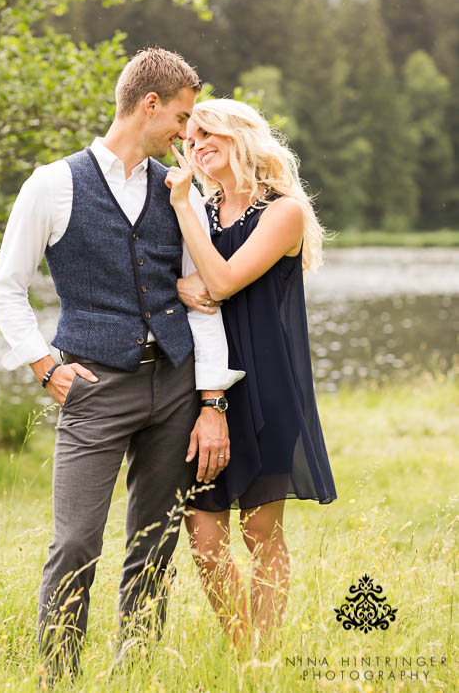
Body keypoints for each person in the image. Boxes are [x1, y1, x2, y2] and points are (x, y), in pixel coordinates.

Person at [0, 48, 244, 678]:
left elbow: (202, 302)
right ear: (149, 105)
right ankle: (59, 678)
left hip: (176, 388)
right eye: (183, 117)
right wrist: (45, 367)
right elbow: (7, 287)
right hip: (93, 387)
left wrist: (211, 400)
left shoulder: (178, 191)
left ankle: (136, 674)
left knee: (153, 544)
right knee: (75, 542)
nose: (188, 133)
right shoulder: (52, 184)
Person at [164, 98, 336, 651]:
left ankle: (260, 663)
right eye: (189, 139)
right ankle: (245, 652)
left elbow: (222, 282)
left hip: (268, 383)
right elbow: (178, 280)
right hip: (204, 383)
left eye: (206, 132)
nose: (196, 146)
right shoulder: (202, 208)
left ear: (241, 135)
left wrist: (183, 210)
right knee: (203, 534)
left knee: (260, 532)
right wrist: (180, 285)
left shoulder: (284, 211)